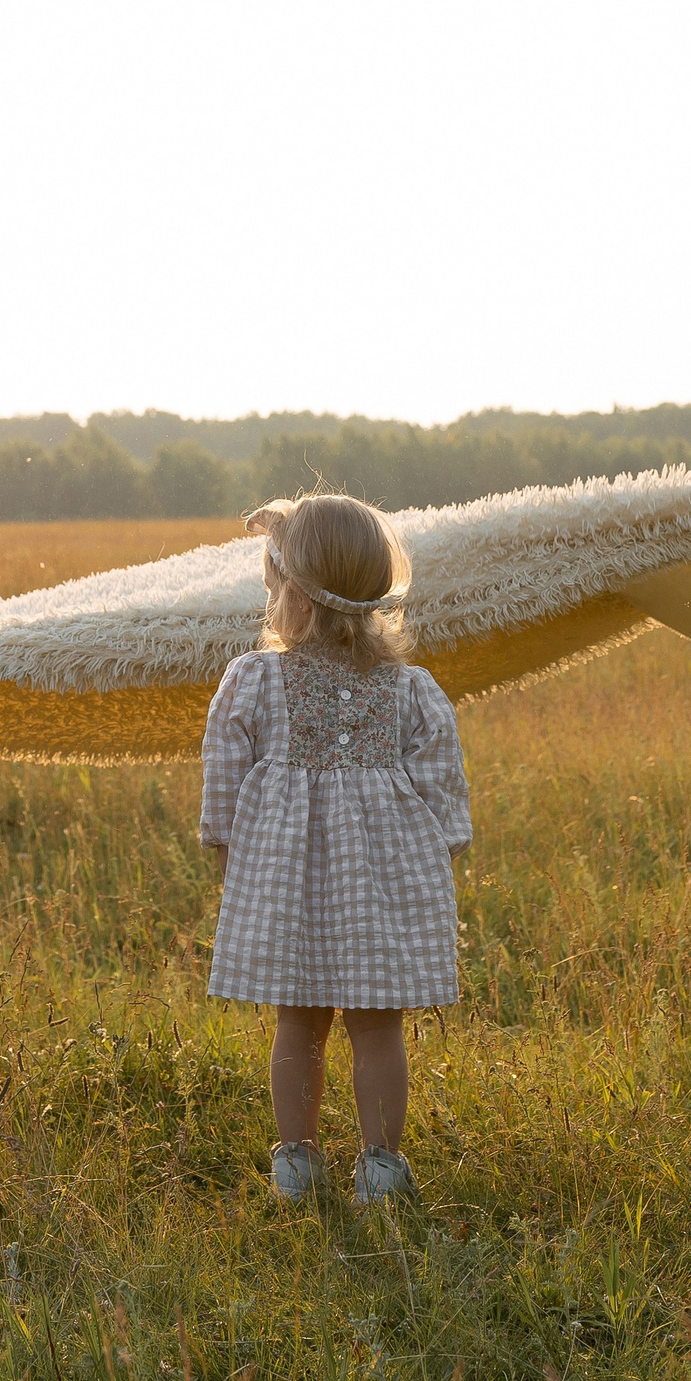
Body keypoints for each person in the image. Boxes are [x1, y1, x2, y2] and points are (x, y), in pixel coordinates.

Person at [200, 494, 472, 1204]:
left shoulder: (255, 681)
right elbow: (444, 800)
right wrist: (434, 865)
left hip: (289, 886)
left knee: (300, 1022)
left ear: (290, 594)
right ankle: (380, 1171)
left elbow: (223, 783)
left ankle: (297, 1165)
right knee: (378, 1028)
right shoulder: (410, 691)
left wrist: (231, 855)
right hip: (382, 890)